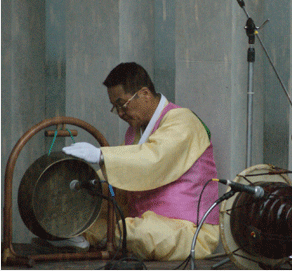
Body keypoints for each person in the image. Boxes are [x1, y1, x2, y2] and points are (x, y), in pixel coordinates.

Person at [59, 62, 220, 261]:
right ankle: (78, 234)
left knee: (140, 234)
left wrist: (102, 156)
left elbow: (154, 159)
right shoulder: (136, 131)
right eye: (115, 107)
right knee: (87, 213)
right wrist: (85, 181)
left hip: (189, 227)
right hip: (146, 219)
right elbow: (127, 168)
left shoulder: (182, 120)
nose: (119, 113)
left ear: (144, 94)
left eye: (121, 104)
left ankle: (93, 238)